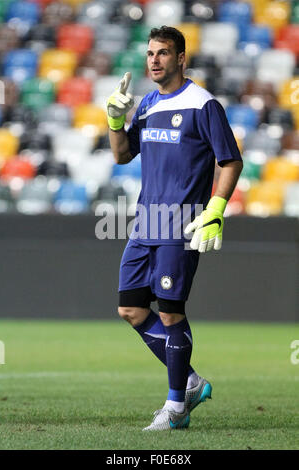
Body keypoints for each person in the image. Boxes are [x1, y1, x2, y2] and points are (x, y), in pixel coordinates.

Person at [107, 26, 243, 431]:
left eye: (163, 53)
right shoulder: (147, 104)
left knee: (169, 314)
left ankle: (176, 408)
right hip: (145, 222)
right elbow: (122, 155)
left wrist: (216, 207)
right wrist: (115, 119)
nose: (154, 60)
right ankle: (189, 381)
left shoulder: (203, 105)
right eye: (150, 53)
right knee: (130, 309)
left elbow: (230, 159)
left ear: (181, 58)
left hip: (180, 224)